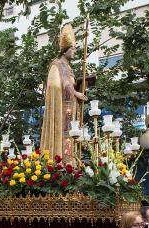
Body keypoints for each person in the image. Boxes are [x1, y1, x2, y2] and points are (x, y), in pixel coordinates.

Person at [38, 23, 86, 162]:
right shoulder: (56, 65)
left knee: (70, 138)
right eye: (72, 49)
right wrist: (75, 93)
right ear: (65, 50)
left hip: (70, 112)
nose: (74, 52)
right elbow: (54, 87)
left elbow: (69, 84)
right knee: (63, 139)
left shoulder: (69, 67)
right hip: (60, 111)